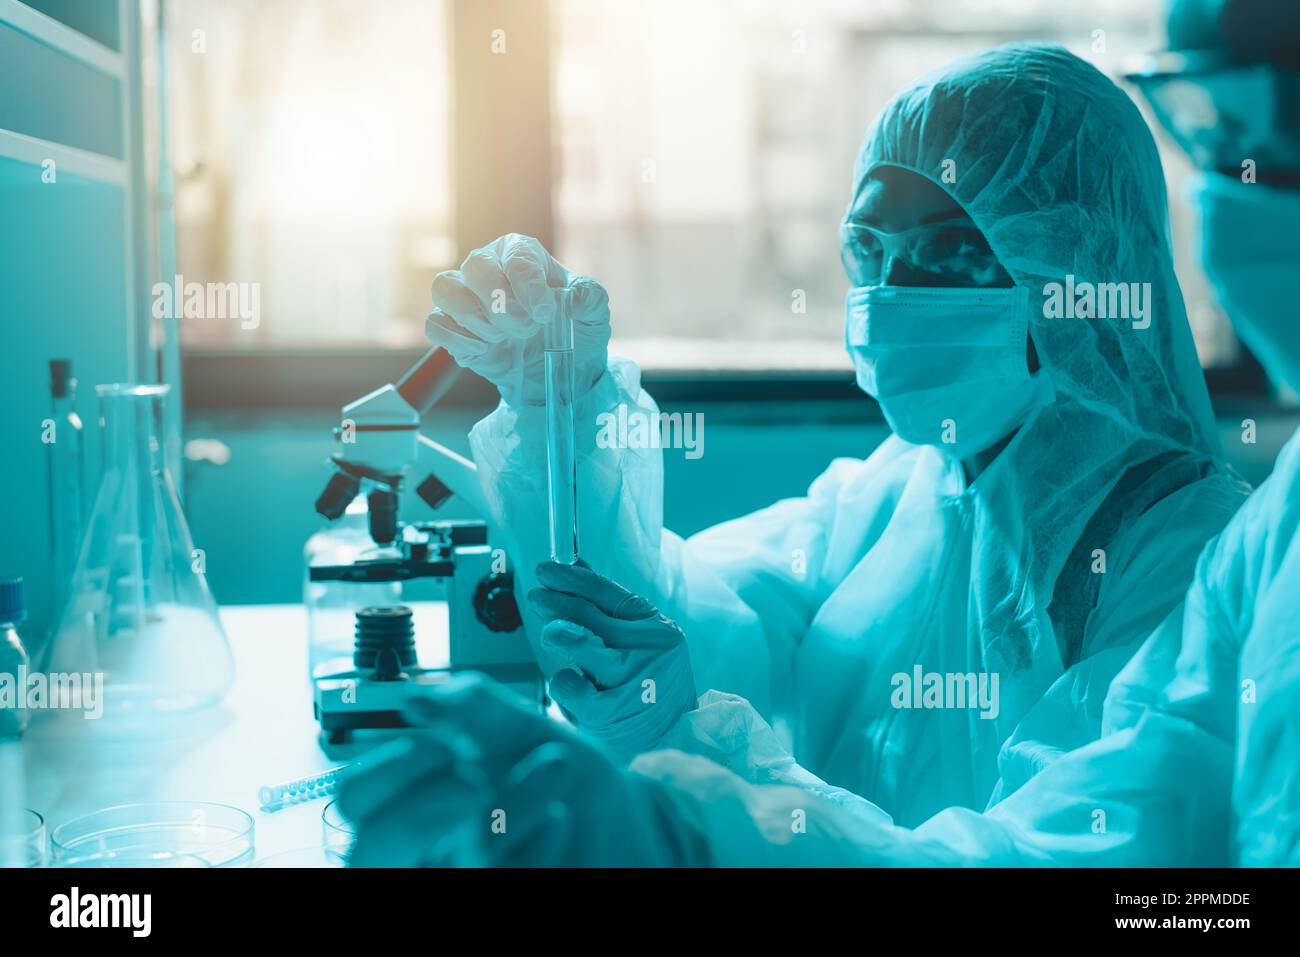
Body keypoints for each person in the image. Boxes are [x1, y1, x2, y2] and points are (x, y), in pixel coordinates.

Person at [340, 43, 1253, 866]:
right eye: (870, 249)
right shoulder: (904, 488)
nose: (893, 293)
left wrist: (693, 788)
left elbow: (1039, 860)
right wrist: (562, 412)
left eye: (950, 253)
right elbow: (692, 616)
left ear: (1073, 270)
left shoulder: (1192, 554)